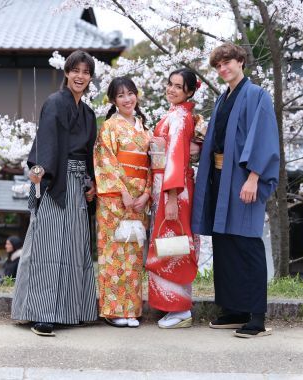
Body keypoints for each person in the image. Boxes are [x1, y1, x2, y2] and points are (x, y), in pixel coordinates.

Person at [191, 42, 280, 338]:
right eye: (218, 66)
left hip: (243, 179)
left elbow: (265, 137)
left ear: (240, 61)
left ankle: (257, 316)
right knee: (226, 242)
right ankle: (235, 309)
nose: (223, 69)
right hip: (221, 178)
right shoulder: (222, 99)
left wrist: (254, 177)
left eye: (227, 62)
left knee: (247, 242)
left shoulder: (257, 96)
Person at [11, 50, 98, 337]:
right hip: (54, 181)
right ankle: (42, 314)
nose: (80, 76)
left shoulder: (87, 113)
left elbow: (88, 156)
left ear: (90, 77)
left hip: (77, 184)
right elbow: (46, 142)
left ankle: (73, 311)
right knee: (47, 248)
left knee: (74, 247)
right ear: (66, 72)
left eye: (86, 72)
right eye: (76, 70)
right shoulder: (55, 103)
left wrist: (90, 184)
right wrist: (40, 175)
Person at [94, 76, 151, 328]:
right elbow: (105, 160)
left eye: (130, 94)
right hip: (115, 200)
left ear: (136, 95)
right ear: (113, 100)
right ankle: (114, 310)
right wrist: (123, 193)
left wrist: (146, 194)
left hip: (139, 200)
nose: (127, 99)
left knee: (134, 252)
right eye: (120, 96)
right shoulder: (109, 127)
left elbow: (152, 164)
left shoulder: (144, 128)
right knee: (114, 251)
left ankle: (132, 310)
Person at [145, 68, 199, 329]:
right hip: (166, 186)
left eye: (179, 86)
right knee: (169, 244)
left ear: (189, 91)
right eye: (170, 84)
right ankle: (171, 306)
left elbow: (176, 157)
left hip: (173, 188)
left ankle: (180, 309)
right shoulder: (175, 114)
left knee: (173, 244)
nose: (172, 89)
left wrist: (171, 197)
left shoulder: (179, 117)